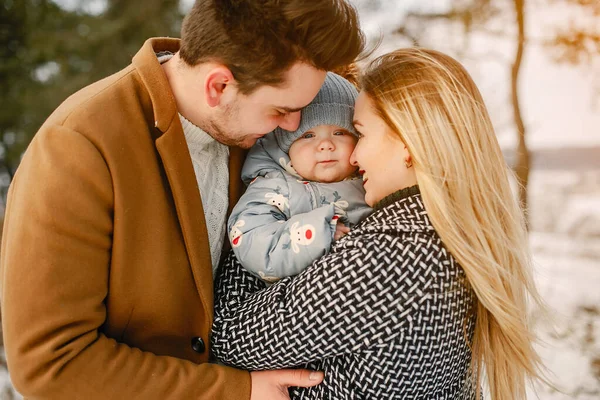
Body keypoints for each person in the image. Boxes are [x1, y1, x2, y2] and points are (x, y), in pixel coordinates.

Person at [0, 1, 365, 399]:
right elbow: (52, 364)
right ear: (219, 86)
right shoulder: (79, 146)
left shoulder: (251, 129)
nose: (294, 128)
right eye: (281, 110)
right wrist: (234, 392)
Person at [211, 48, 545, 399]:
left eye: (359, 133)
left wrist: (259, 203)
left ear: (406, 143)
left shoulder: (392, 256)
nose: (353, 156)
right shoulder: (440, 235)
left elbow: (231, 336)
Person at [228, 72, 372, 282]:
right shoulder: (273, 187)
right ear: (286, 148)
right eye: (308, 136)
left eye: (340, 133)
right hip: (303, 293)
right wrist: (318, 233)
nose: (326, 145)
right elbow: (252, 242)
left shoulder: (371, 181)